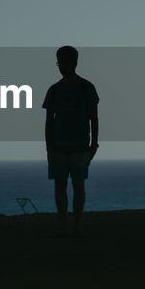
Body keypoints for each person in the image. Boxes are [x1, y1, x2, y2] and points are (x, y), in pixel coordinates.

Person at [42, 45, 99, 236]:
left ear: (75, 62)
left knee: (76, 185)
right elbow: (49, 122)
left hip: (80, 145)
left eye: (65, 63)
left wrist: (93, 144)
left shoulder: (86, 88)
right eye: (60, 63)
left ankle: (74, 225)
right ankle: (64, 224)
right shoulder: (55, 90)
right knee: (62, 186)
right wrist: (49, 148)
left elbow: (94, 118)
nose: (62, 67)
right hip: (60, 146)